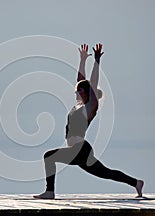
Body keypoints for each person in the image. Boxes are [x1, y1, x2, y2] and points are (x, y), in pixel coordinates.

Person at [33, 43, 144, 199]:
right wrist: (83, 60)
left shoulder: (90, 107)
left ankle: (50, 192)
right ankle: (136, 183)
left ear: (87, 93)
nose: (76, 91)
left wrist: (97, 61)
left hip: (80, 149)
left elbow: (91, 83)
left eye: (80, 90)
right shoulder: (79, 106)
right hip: (79, 150)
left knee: (49, 156)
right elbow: (81, 81)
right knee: (105, 173)